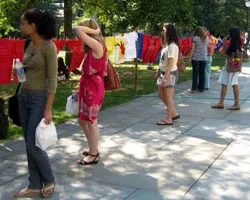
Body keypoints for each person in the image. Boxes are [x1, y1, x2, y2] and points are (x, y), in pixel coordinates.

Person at [13, 9, 57, 198]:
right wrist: (19, 71)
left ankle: (49, 180)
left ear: (33, 26)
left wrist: (48, 108)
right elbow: (26, 74)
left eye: (23, 23)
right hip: (24, 97)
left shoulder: (49, 47)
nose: (20, 26)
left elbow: (53, 79)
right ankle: (34, 184)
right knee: (28, 143)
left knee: (35, 146)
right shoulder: (29, 44)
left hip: (39, 100)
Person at [74, 18, 107, 165]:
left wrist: (95, 30)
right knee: (82, 120)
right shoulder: (92, 45)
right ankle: (93, 147)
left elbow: (77, 29)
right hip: (88, 85)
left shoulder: (96, 44)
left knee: (91, 121)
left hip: (94, 87)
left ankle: (94, 154)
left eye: (84, 30)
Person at [211, 27, 242, 110]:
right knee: (225, 82)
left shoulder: (233, 44)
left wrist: (224, 43)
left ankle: (235, 104)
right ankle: (222, 102)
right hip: (233, 66)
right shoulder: (237, 42)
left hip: (230, 67)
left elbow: (226, 54)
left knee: (233, 83)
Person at [155, 23, 180, 126]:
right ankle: (173, 113)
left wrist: (165, 79)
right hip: (164, 73)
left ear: (169, 32)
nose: (162, 32)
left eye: (164, 30)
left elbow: (170, 64)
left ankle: (169, 119)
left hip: (170, 74)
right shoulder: (167, 45)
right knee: (161, 94)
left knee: (169, 97)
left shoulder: (172, 46)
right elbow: (163, 61)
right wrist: (158, 70)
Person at [189, 26, 209, 93]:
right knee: (202, 73)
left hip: (196, 58)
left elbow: (193, 49)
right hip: (204, 58)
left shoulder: (195, 38)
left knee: (195, 74)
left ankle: (194, 88)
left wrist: (190, 58)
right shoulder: (206, 38)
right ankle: (201, 88)